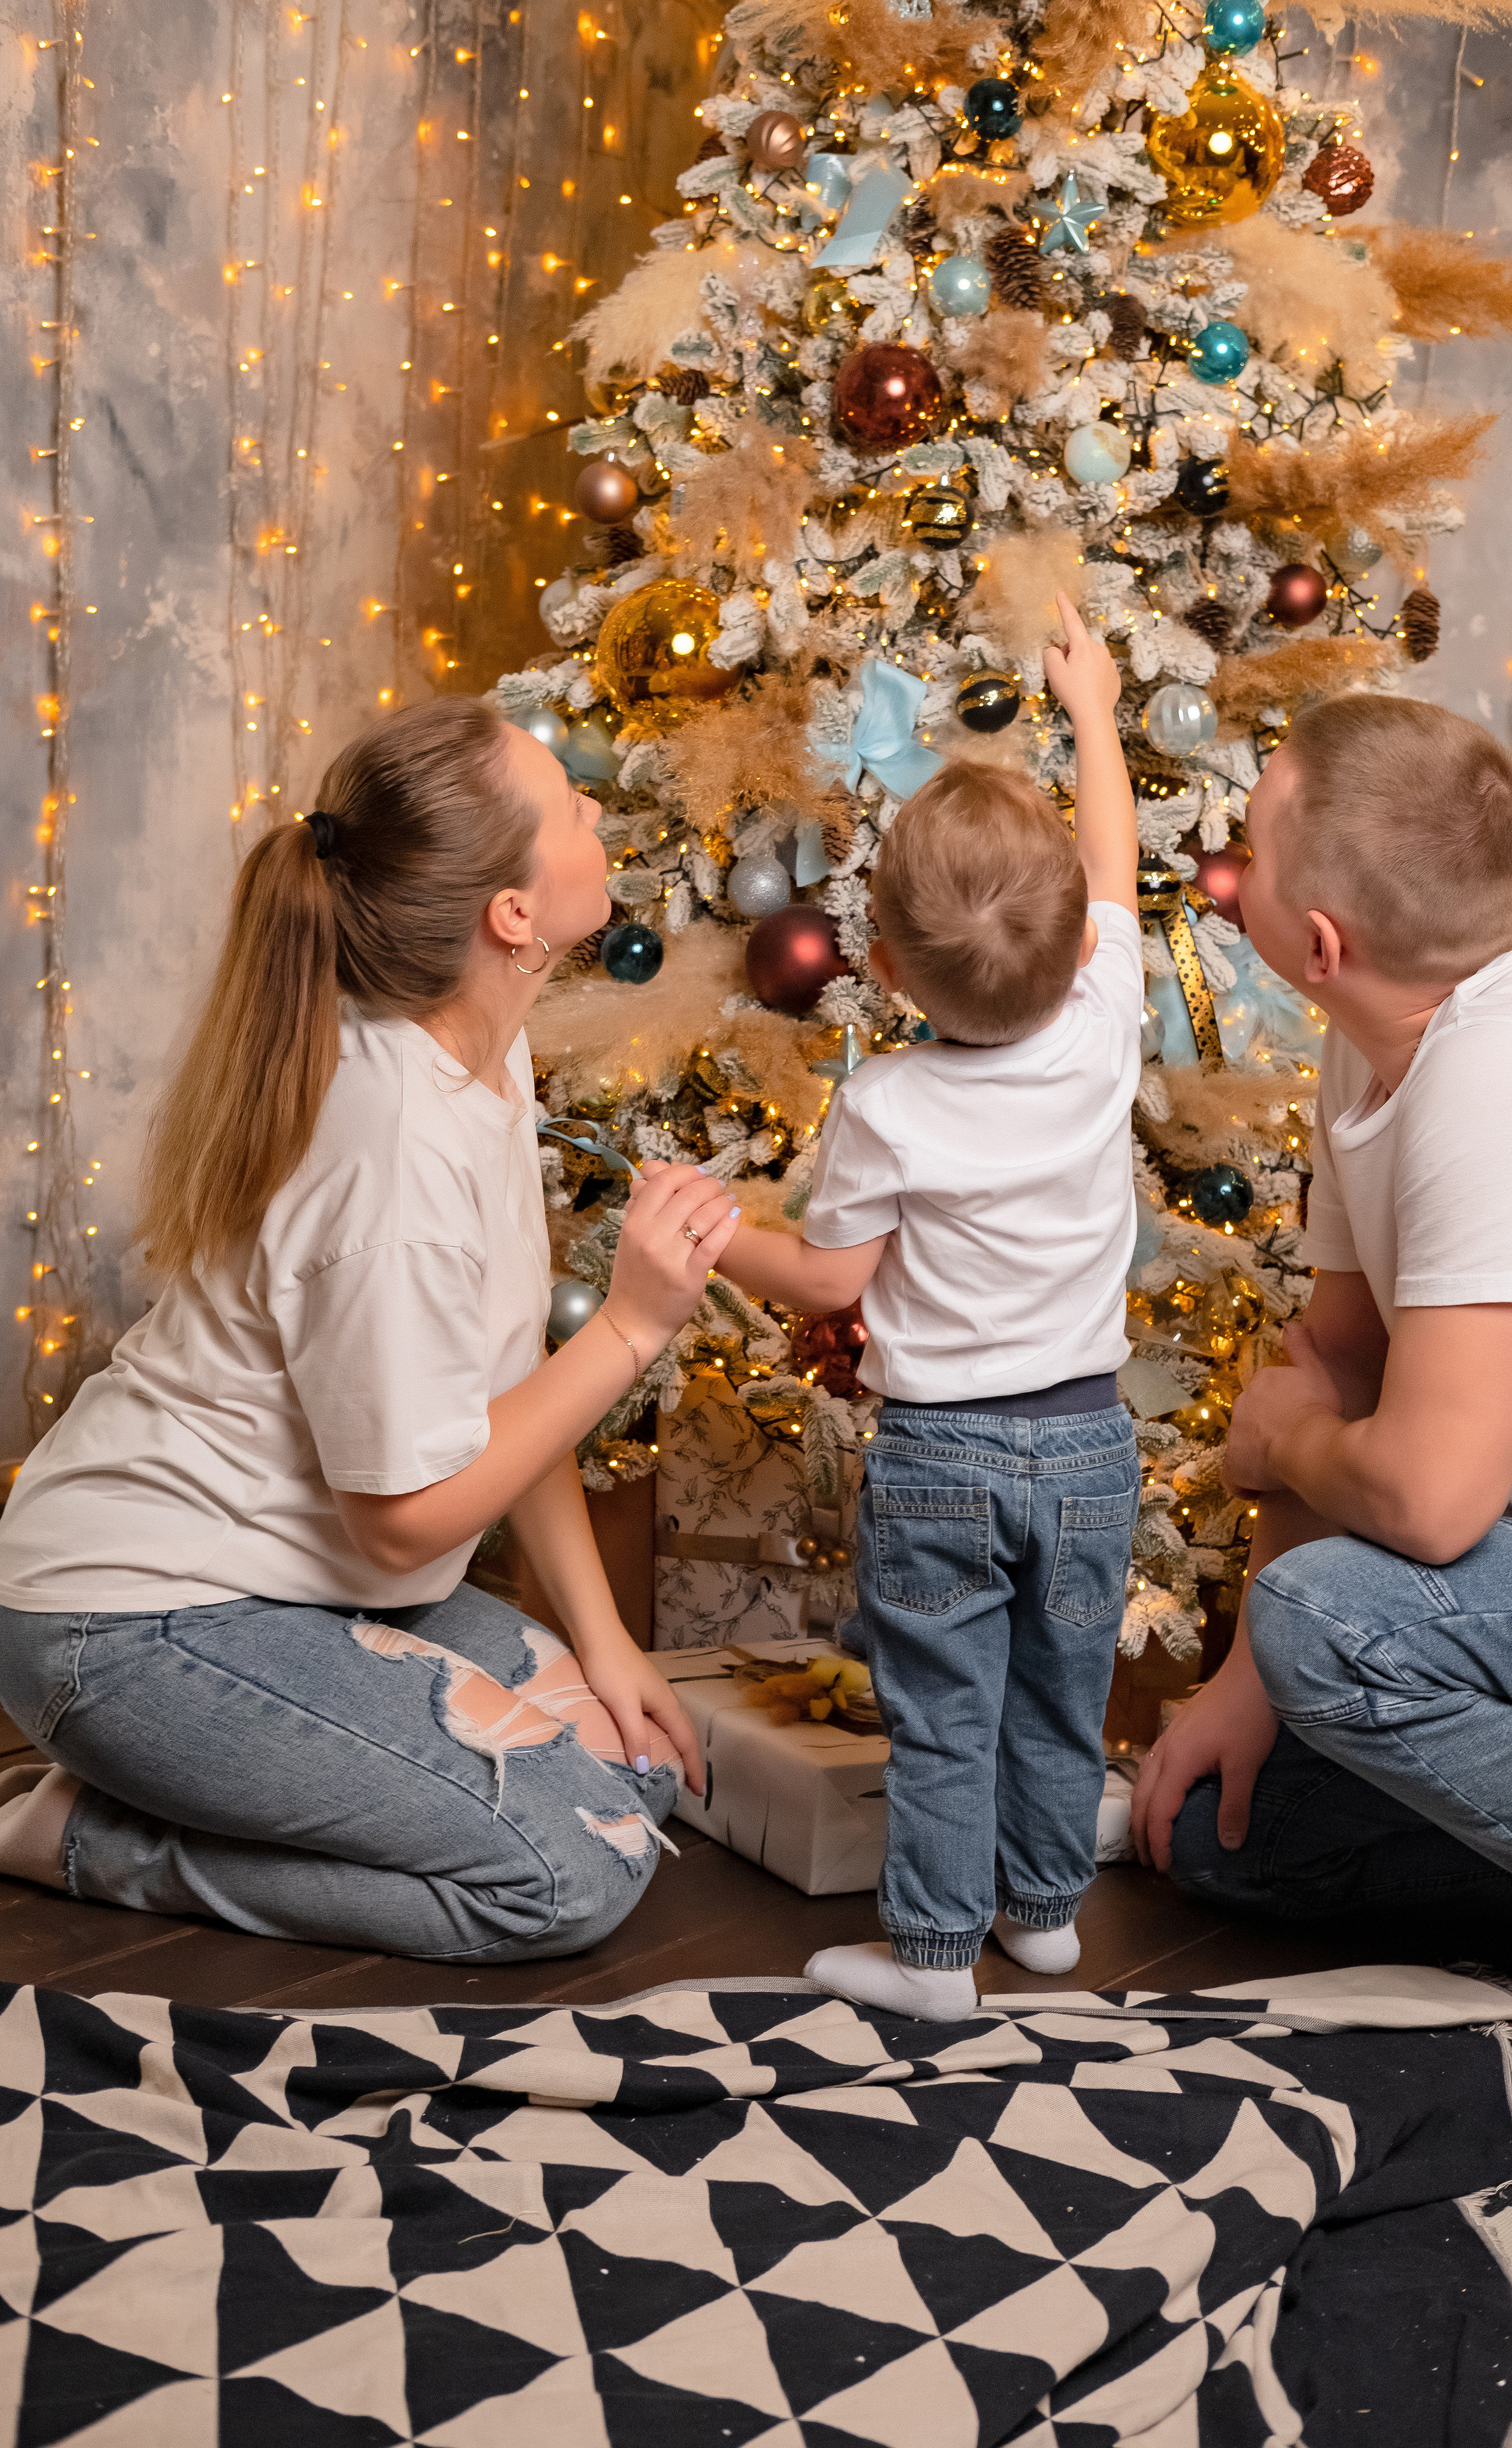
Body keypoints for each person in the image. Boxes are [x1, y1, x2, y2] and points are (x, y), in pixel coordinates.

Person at [0, 698, 741, 1962]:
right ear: (512, 914)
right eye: (565, 801)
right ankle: (89, 1836)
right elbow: (404, 1516)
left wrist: (608, 1645)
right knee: (567, 1880)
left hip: (296, 1597)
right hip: (126, 1625)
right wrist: (629, 1329)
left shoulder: (478, 1052)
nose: (592, 811)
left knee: (633, 1766)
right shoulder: (387, 1152)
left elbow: (501, 1397)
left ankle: (216, 1780)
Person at [1127, 692, 1512, 2125]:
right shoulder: (1382, 1028)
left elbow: (1424, 1499)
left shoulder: (1509, 1071)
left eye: (1251, 837)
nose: (1229, 851)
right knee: (1232, 1843)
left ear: (1317, 940)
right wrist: (1237, 1692)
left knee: (1327, 1625)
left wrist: (1280, 1446)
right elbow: (1335, 1354)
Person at [707, 594, 1142, 2020]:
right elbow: (1115, 869)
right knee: (1057, 1695)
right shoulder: (1099, 1024)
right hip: (1088, 1448)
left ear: (882, 970)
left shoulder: (887, 1101)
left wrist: (716, 1234)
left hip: (942, 1455)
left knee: (944, 1710)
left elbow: (831, 1282)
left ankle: (935, 1959)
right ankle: (1045, 1920)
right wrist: (1087, 708)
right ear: (1079, 945)